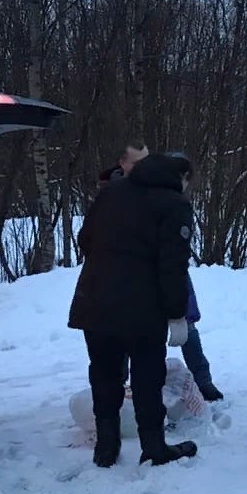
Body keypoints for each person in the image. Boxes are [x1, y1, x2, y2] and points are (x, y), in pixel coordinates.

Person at [69, 151, 199, 468]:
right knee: (147, 377)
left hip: (95, 299)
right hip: (144, 308)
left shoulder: (111, 192)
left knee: (104, 374)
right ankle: (154, 447)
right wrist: (177, 312)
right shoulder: (174, 204)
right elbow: (173, 265)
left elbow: (84, 238)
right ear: (179, 178)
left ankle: (106, 448)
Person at [97, 142, 223, 402]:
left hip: (160, 272)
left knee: (184, 328)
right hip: (135, 277)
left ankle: (201, 380)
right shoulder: (125, 192)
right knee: (131, 334)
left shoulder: (162, 195)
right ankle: (126, 390)